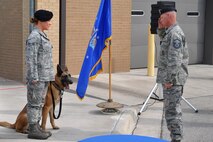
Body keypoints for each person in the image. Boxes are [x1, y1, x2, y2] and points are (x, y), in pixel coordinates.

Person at [156, 7, 189, 142]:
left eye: (162, 18)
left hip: (173, 81)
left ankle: (177, 139)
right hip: (172, 80)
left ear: (169, 16)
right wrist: (160, 27)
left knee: (172, 113)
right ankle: (175, 138)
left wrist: (169, 79)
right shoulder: (170, 32)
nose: (160, 20)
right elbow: (163, 37)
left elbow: (175, 59)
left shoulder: (175, 34)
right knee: (171, 112)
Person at [25, 9, 55, 140]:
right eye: (48, 21)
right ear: (41, 21)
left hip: (44, 77)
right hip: (37, 78)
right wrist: (34, 77)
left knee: (39, 103)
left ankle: (36, 127)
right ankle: (32, 129)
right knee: (34, 103)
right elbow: (31, 59)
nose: (50, 23)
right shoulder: (35, 37)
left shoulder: (41, 35)